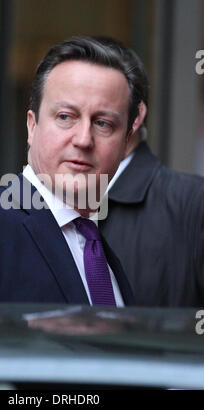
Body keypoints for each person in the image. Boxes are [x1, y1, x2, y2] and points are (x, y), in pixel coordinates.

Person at [0, 36, 146, 305]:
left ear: (126, 142)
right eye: (65, 117)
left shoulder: (100, 251)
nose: (84, 139)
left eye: (103, 123)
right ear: (32, 126)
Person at [97, 42, 204, 307]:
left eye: (100, 117)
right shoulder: (33, 206)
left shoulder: (193, 204)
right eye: (66, 115)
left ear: (135, 118)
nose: (79, 134)